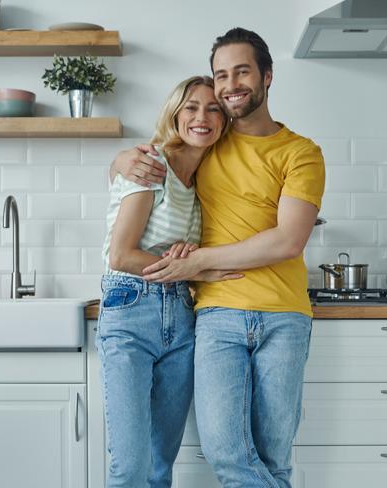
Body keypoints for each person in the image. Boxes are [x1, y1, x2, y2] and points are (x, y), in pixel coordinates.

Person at [112, 28, 325, 488]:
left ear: (267, 77)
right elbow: (152, 162)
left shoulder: (301, 152)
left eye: (242, 71)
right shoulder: (207, 141)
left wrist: (197, 262)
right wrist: (120, 160)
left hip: (285, 316)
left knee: (273, 459)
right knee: (227, 455)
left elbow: (288, 240)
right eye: (221, 74)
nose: (230, 85)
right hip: (216, 316)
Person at [98, 75, 241, 488]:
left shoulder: (204, 179)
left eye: (214, 108)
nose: (203, 117)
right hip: (131, 310)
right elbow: (121, 255)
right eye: (192, 107)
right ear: (175, 114)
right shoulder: (150, 164)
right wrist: (195, 267)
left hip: (181, 315)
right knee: (130, 466)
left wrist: (189, 265)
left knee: (161, 466)